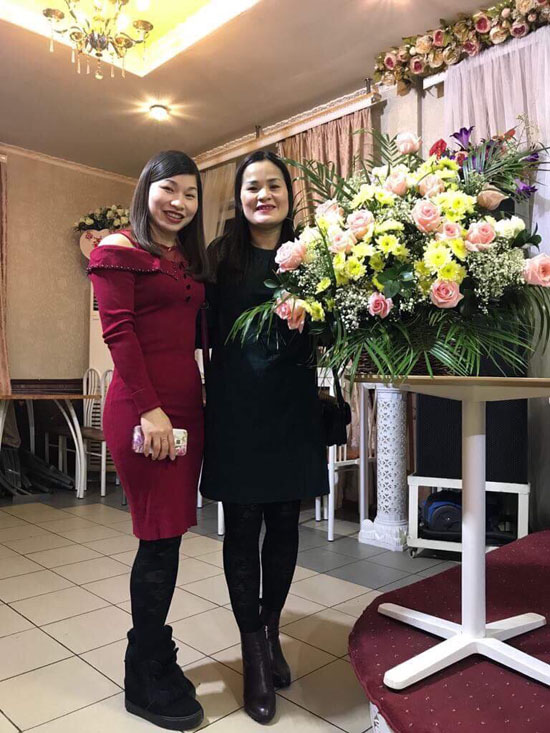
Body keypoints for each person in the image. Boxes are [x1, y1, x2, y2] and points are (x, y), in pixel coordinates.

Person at [200, 151, 329, 724]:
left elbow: (331, 325)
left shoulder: (312, 253)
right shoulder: (220, 256)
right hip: (235, 411)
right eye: (252, 186)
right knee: (242, 526)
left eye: (273, 185)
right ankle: (253, 651)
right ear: (240, 196)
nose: (263, 195)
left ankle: (271, 630)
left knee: (283, 525)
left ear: (287, 194)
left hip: (291, 408)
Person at [88, 150, 208, 731]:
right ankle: (142, 672)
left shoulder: (184, 259)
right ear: (146, 189)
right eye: (169, 189)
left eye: (191, 193)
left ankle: (156, 649)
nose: (179, 202)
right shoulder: (118, 249)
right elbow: (119, 333)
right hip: (145, 411)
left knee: (171, 536)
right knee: (157, 538)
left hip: (185, 409)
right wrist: (151, 410)